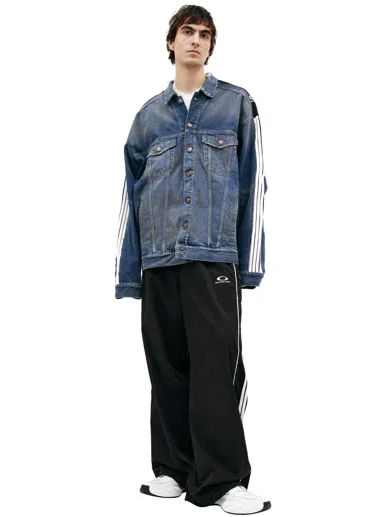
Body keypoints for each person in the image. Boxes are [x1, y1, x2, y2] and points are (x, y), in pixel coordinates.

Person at [114, 4, 270, 514]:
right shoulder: (147, 117)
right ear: (171, 42)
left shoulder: (236, 104)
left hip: (213, 257)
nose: (196, 40)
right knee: (166, 369)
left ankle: (224, 480)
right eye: (188, 31)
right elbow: (130, 197)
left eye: (205, 34)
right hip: (158, 261)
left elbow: (253, 185)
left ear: (210, 45)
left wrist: (248, 263)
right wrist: (129, 272)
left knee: (215, 371)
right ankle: (173, 469)